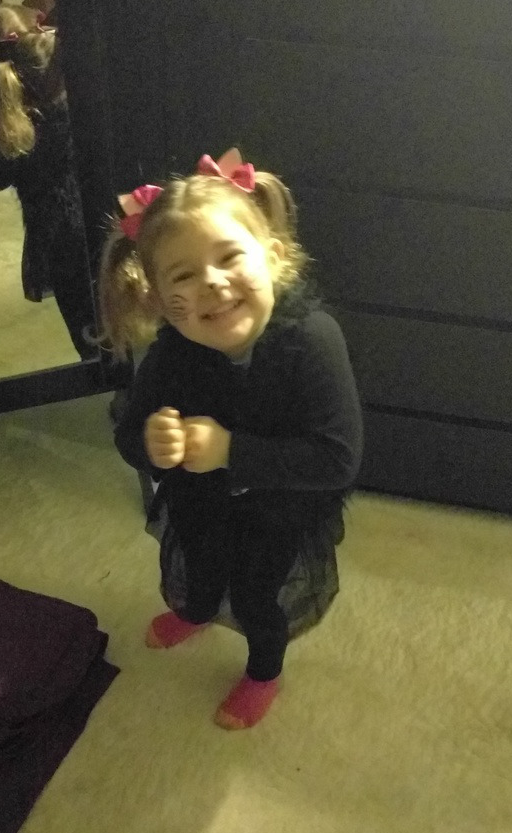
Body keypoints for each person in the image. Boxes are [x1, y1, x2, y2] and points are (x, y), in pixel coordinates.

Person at [99, 149, 364, 729]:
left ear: (272, 255)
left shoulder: (313, 340)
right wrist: (151, 444)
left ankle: (265, 670)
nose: (212, 283)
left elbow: (337, 458)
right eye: (183, 276)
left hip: (279, 512)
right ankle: (196, 611)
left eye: (229, 257)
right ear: (158, 299)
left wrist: (228, 451)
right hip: (200, 504)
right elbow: (128, 434)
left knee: (254, 597)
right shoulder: (170, 354)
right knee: (199, 566)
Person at [0, 5, 96, 358]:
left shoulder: (5, 113)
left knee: (84, 319)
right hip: (89, 215)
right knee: (108, 305)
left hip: (55, 231)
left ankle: (98, 368)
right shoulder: (64, 91)